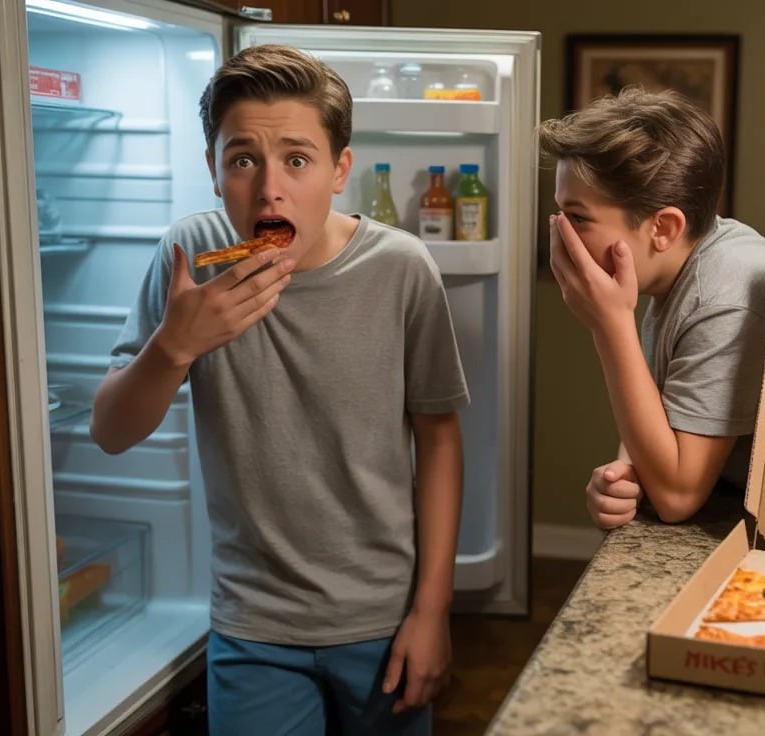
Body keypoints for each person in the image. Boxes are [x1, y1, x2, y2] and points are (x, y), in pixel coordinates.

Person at [90, 44, 468, 735]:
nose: (270, 189)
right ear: (213, 169)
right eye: (243, 160)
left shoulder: (402, 270)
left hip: (382, 620)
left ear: (339, 171)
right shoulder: (190, 260)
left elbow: (440, 441)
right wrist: (173, 345)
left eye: (297, 159)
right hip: (252, 624)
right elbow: (111, 431)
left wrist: (432, 611)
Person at [538, 87, 765, 531]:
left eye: (578, 218)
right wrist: (623, 476)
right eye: (560, 214)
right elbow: (664, 413)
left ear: (663, 228)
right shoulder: (679, 266)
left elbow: (677, 496)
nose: (559, 234)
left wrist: (610, 325)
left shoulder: (723, 295)